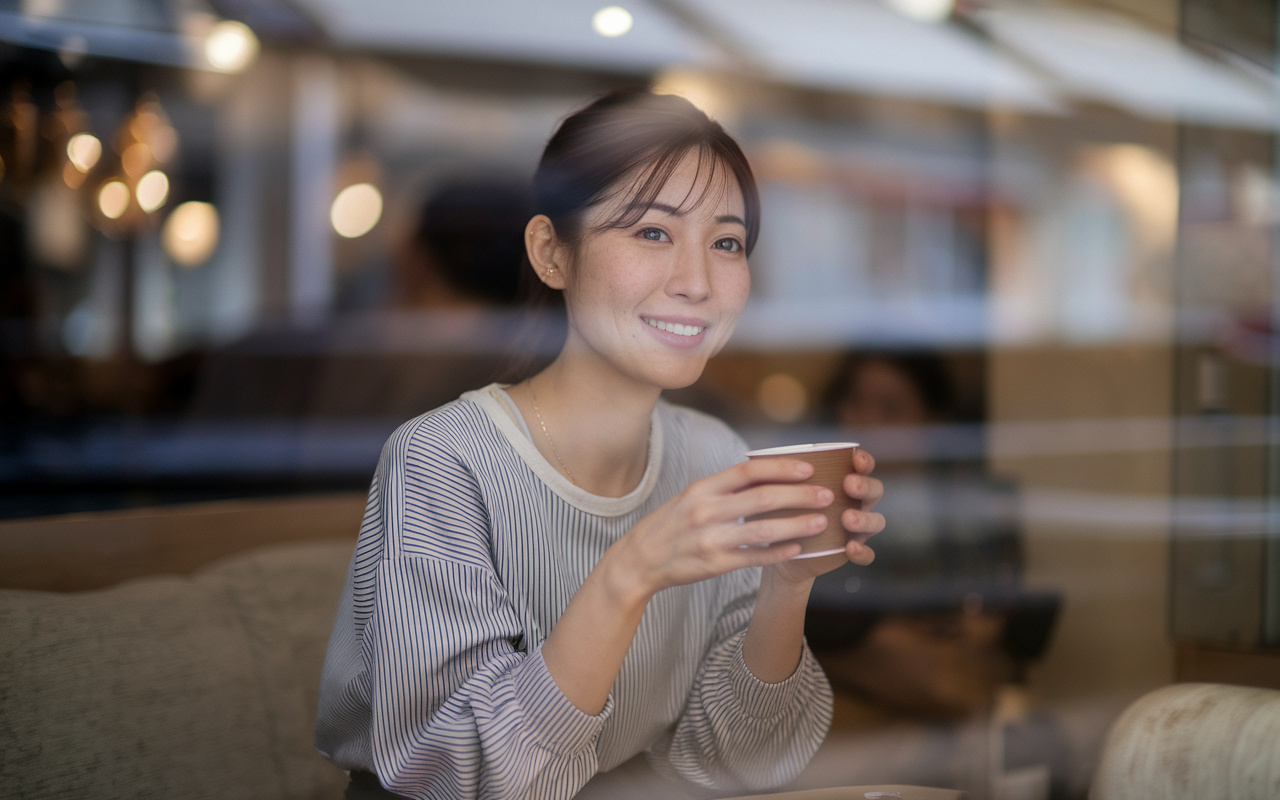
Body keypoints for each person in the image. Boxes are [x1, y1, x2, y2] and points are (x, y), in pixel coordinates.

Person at [314, 89, 886, 800]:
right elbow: (455, 777)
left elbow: (741, 761)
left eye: (727, 242)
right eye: (652, 232)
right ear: (552, 253)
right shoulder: (444, 461)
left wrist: (786, 585)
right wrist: (632, 571)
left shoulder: (715, 453)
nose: (698, 282)